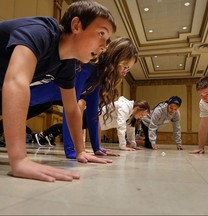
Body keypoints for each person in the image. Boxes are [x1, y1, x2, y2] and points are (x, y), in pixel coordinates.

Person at [0, 0, 116, 182]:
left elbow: (71, 109)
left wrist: (80, 151)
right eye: (101, 33)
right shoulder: (41, 32)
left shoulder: (66, 65)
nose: (104, 45)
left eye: (107, 39)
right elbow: (16, 81)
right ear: (76, 25)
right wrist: (19, 160)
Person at [16, 37, 138, 159]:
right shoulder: (86, 68)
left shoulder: (98, 78)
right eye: (125, 66)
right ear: (116, 59)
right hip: (21, 93)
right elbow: (71, 108)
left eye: (129, 69)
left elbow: (92, 115)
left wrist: (97, 149)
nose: (126, 71)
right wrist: (72, 151)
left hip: (32, 101)